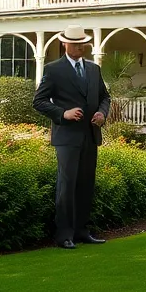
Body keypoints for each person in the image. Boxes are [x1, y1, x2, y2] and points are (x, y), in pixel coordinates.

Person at [32, 25, 112, 249]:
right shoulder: (53, 69)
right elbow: (38, 101)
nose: (81, 47)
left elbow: (105, 97)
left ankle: (82, 231)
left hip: (90, 135)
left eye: (83, 43)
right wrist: (62, 114)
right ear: (65, 44)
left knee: (86, 185)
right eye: (76, 44)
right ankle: (64, 235)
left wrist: (102, 113)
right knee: (66, 186)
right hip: (67, 137)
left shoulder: (94, 70)